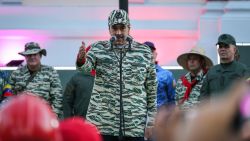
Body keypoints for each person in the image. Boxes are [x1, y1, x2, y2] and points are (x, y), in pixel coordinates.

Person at [77, 9, 157, 141]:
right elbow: (85, 69)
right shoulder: (98, 48)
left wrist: (151, 122)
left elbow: (152, 88)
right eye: (115, 28)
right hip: (102, 122)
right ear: (109, 29)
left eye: (122, 28)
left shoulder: (144, 52)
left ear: (129, 28)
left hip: (134, 124)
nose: (119, 32)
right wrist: (81, 60)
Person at [8, 42, 63, 118]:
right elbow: (10, 97)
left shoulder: (50, 72)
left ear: (40, 56)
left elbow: (57, 97)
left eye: (35, 54)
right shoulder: (17, 73)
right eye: (29, 55)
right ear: (25, 57)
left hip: (44, 116)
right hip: (21, 116)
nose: (32, 57)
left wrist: (53, 116)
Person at [200, 34, 249, 100]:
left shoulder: (243, 70)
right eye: (220, 46)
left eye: (226, 46)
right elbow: (203, 97)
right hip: (214, 109)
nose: (222, 49)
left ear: (234, 49)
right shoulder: (211, 71)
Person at [175, 46, 213, 111]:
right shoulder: (181, 81)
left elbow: (211, 102)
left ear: (202, 62)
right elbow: (177, 103)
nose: (191, 61)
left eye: (195, 59)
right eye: (189, 59)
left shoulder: (208, 79)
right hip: (183, 119)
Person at [63, 45, 95, 119]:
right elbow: (67, 101)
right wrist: (70, 123)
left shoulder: (109, 77)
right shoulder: (77, 78)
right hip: (83, 124)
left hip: (107, 126)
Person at [143, 41, 175, 108]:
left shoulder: (166, 75)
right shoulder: (135, 74)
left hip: (161, 115)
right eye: (145, 52)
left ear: (155, 54)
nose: (149, 55)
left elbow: (172, 100)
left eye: (151, 51)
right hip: (140, 115)